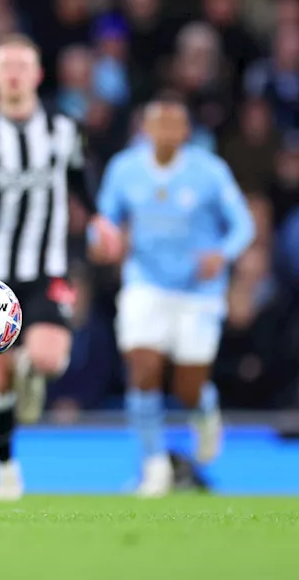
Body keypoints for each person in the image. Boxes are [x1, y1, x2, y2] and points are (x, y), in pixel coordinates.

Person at [0, 34, 115, 501]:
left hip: (49, 264)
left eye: (23, 64)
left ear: (38, 75)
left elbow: (81, 178)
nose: (15, 73)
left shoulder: (65, 126)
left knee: (49, 358)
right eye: (6, 65)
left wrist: (100, 219)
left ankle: (30, 369)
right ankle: (5, 468)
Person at [92, 99, 253, 497]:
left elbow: (243, 224)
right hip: (145, 283)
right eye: (158, 125)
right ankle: (154, 466)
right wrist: (103, 243)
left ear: (186, 132)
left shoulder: (209, 172)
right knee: (143, 369)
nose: (165, 132)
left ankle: (204, 409)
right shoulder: (124, 168)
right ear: (145, 130)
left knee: (186, 385)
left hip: (198, 291)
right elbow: (105, 221)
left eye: (174, 125)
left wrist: (222, 254)